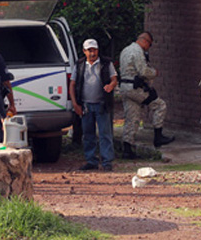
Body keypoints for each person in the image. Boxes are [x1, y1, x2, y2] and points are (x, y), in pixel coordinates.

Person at [119, 32, 174, 159]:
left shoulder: (125, 50)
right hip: (136, 88)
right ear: (144, 40)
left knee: (131, 118)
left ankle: (127, 149)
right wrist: (154, 72)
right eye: (149, 44)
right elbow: (143, 71)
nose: (148, 47)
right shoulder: (138, 51)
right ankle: (158, 136)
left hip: (125, 88)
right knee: (160, 105)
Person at [69, 39, 118, 171]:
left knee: (104, 134)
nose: (92, 53)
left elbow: (114, 79)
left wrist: (110, 86)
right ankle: (91, 160)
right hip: (86, 104)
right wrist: (75, 103)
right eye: (89, 50)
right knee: (88, 134)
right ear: (84, 51)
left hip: (102, 103)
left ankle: (107, 162)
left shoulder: (106, 63)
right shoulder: (79, 65)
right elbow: (72, 84)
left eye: (94, 50)